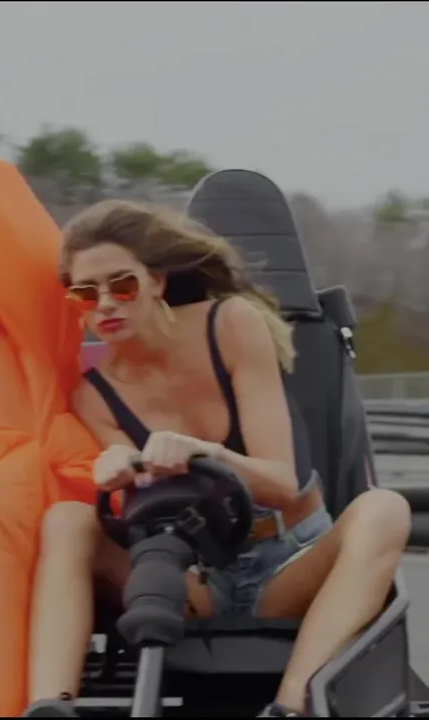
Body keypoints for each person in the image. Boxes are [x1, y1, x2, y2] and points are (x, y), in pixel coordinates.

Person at [22, 200, 412, 719]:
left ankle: (291, 706)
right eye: (86, 294)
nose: (106, 305)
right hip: (190, 577)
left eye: (122, 285)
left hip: (288, 564)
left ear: (156, 281)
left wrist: (207, 453)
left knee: (385, 508)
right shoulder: (94, 396)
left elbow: (282, 484)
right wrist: (118, 471)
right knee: (67, 519)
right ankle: (50, 706)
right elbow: (135, 512)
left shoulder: (231, 324)